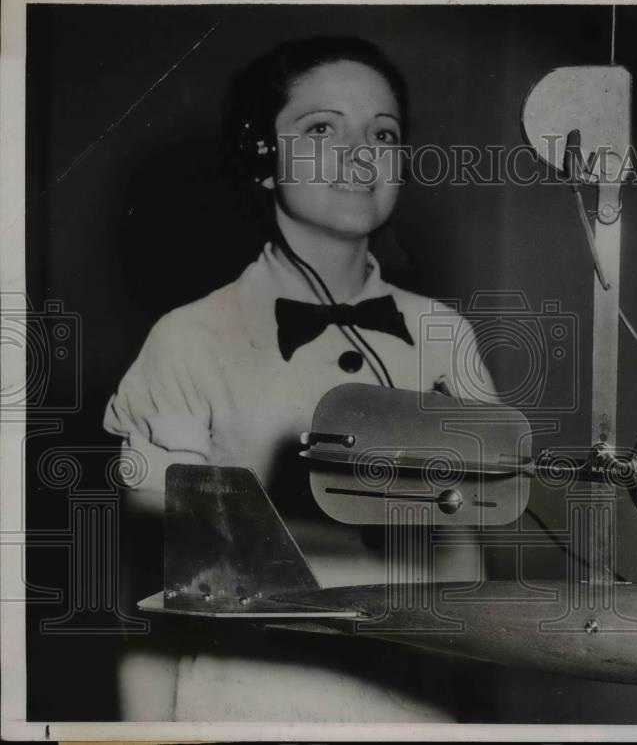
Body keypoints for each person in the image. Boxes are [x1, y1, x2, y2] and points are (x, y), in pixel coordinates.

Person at [104, 35, 496, 721]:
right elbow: (151, 591)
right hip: (244, 710)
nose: (360, 153)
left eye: (384, 132)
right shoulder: (188, 340)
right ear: (263, 158)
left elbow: (467, 570)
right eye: (322, 128)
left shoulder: (445, 336)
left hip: (409, 709)